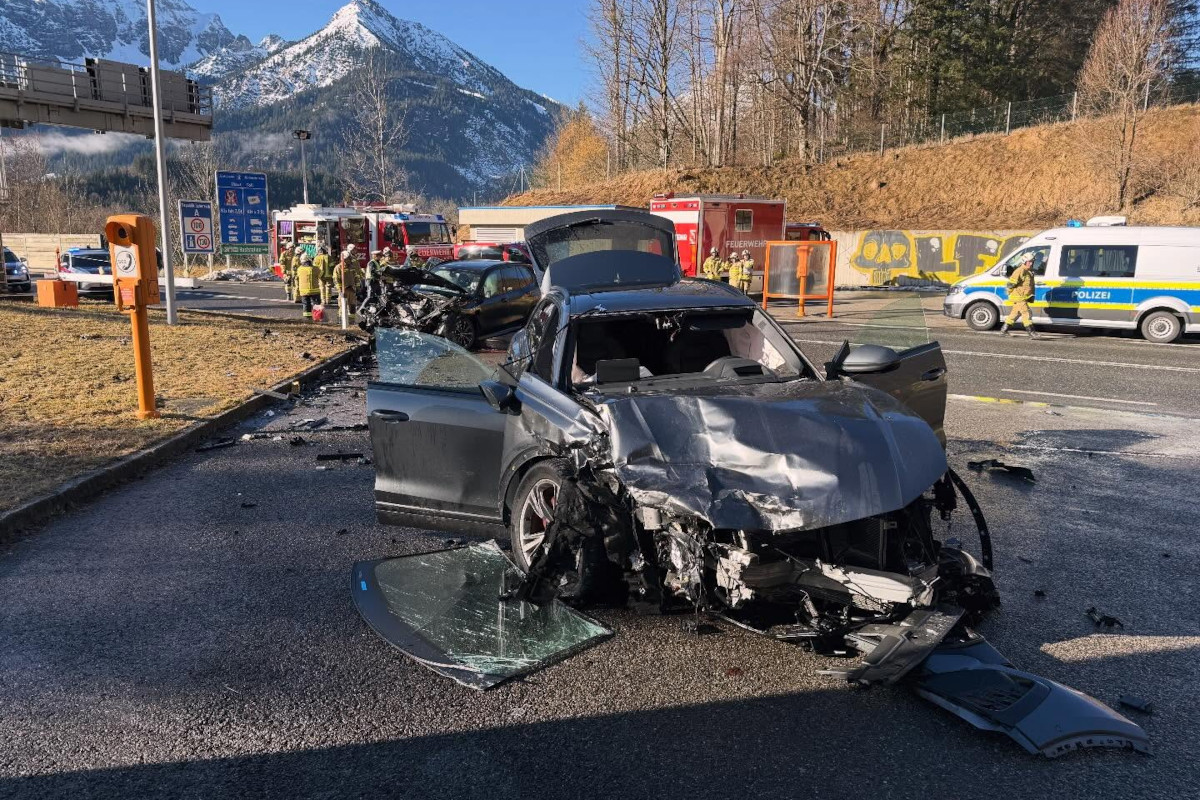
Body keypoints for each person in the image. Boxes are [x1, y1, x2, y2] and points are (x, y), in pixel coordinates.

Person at [1001, 251, 1039, 338]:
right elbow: (1011, 284)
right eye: (1029, 262)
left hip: (1022, 297)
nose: (1031, 263)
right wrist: (1009, 292)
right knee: (1027, 313)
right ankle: (1032, 333)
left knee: (1015, 314)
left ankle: (1004, 330)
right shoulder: (1020, 271)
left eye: (1032, 262)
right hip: (1018, 297)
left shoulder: (1028, 271)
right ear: (1024, 262)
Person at [336, 246, 365, 315]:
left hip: (352, 289)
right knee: (342, 305)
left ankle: (352, 321)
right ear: (344, 259)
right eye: (348, 259)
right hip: (344, 289)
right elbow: (336, 280)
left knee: (352, 305)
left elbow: (356, 277)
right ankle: (341, 320)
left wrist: (357, 287)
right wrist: (340, 290)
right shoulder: (338, 268)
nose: (349, 260)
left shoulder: (351, 267)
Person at [296, 249, 320, 319]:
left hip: (303, 291)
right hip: (314, 290)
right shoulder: (315, 268)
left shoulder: (299, 269)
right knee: (316, 304)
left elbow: (297, 276)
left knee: (306, 304)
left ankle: (307, 318)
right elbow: (320, 275)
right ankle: (317, 317)